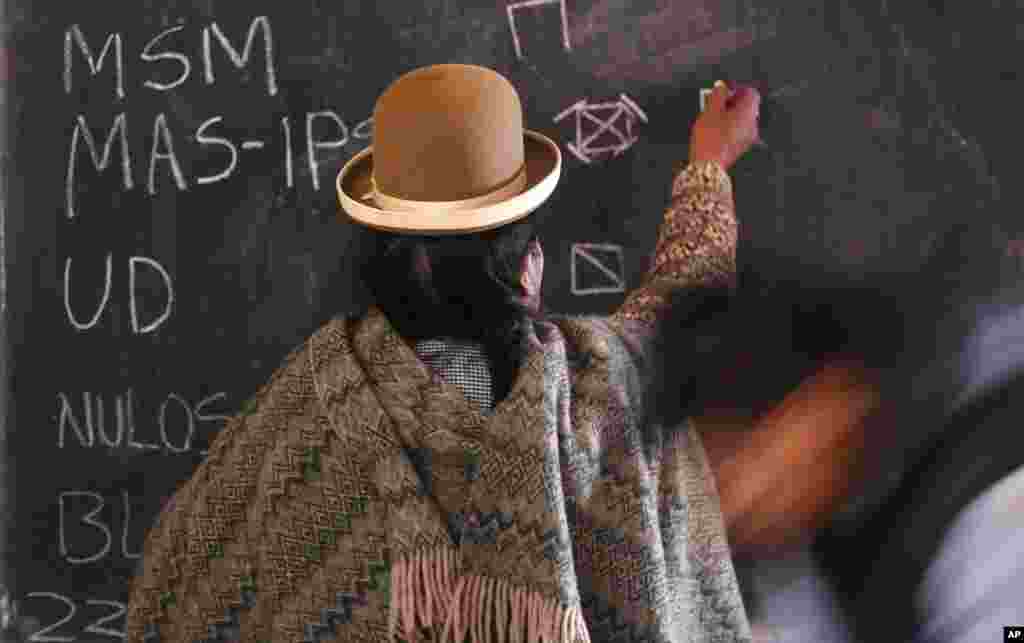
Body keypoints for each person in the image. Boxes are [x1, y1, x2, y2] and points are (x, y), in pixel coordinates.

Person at [123, 64, 762, 642]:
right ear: (527, 266)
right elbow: (683, 299)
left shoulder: (301, 419)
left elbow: (183, 580)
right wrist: (709, 162)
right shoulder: (609, 392)